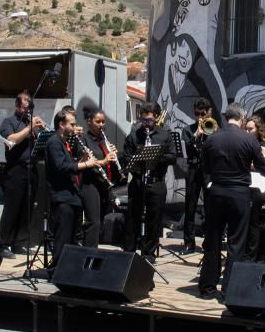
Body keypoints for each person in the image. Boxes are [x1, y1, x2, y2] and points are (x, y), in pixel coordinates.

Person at [198, 101, 265, 297]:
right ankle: (230, 289)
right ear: (243, 117)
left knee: (212, 239)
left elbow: (203, 168)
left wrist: (210, 185)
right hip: (239, 193)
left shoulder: (211, 139)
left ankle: (207, 287)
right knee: (236, 242)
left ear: (225, 117)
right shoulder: (248, 140)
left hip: (216, 192)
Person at [120, 102, 177, 261]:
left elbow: (173, 157)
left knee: (154, 219)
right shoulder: (134, 135)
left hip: (156, 181)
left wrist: (156, 155)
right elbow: (126, 158)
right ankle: (129, 252)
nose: (147, 124)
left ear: (157, 118)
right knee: (132, 217)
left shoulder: (165, 135)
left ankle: (149, 254)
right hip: (138, 181)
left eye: (150, 121)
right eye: (144, 121)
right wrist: (138, 159)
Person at [44, 108, 99, 270]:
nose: (75, 128)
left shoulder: (65, 142)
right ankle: (57, 270)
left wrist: (80, 159)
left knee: (73, 237)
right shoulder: (54, 142)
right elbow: (61, 167)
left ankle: (69, 269)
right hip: (62, 197)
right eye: (72, 124)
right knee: (62, 238)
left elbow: (69, 164)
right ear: (62, 124)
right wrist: (86, 164)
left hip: (72, 196)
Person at [0, 91, 45, 259]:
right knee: (12, 208)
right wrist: (29, 128)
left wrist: (42, 131)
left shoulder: (29, 123)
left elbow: (40, 143)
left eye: (29, 107)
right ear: (17, 106)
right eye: (24, 107)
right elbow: (11, 139)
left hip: (32, 170)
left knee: (27, 208)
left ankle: (19, 242)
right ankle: (3, 245)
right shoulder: (9, 122)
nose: (27, 110)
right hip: (16, 170)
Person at [79, 107, 120, 246]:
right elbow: (88, 162)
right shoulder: (83, 139)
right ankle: (89, 253)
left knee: (100, 221)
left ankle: (93, 250)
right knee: (93, 222)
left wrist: (114, 156)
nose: (102, 125)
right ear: (89, 121)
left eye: (103, 122)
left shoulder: (103, 140)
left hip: (104, 185)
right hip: (90, 184)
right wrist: (105, 160)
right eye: (98, 122)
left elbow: (109, 162)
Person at [181, 97, 214, 253]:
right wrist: (196, 134)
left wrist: (208, 133)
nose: (200, 117)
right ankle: (189, 242)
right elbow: (187, 151)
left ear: (209, 112)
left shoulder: (214, 128)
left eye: (203, 114)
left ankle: (209, 241)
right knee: (190, 206)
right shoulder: (188, 130)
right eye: (197, 114)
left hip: (209, 171)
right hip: (194, 169)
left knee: (210, 207)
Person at [245, 114, 265, 260]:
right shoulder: (247, 143)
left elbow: (260, 163)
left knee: (253, 220)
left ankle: (252, 254)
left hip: (259, 186)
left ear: (258, 130)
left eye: (250, 129)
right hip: (248, 184)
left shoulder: (263, 145)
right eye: (245, 128)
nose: (247, 131)